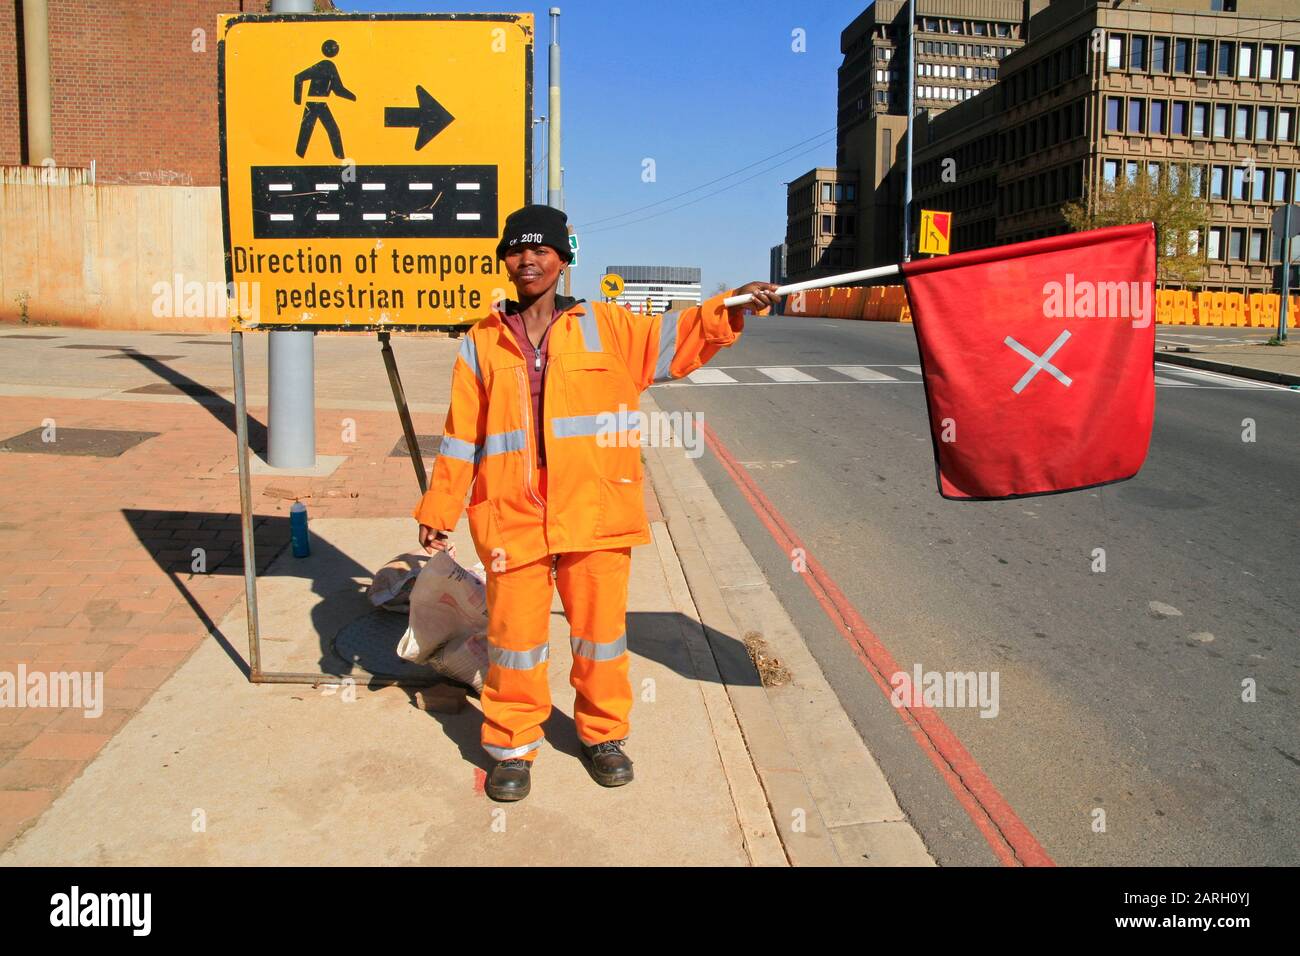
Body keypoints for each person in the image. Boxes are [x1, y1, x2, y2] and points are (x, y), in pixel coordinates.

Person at [413, 204, 779, 802]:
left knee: (599, 636)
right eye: (516, 249)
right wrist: (439, 506)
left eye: (541, 250)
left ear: (563, 259)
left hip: (596, 513)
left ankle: (602, 736)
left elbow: (679, 337)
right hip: (512, 514)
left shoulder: (609, 327)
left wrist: (731, 304)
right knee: (514, 639)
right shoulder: (480, 342)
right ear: (504, 258)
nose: (527, 260)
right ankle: (510, 745)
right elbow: (461, 434)